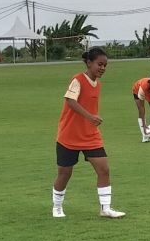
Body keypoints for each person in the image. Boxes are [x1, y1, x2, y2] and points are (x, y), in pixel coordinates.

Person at [52, 47, 125, 219]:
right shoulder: (77, 79)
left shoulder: (97, 84)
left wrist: (91, 121)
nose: (102, 68)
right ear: (89, 63)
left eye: (105, 65)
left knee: (104, 169)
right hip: (69, 135)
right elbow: (70, 100)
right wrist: (90, 117)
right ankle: (57, 207)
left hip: (90, 136)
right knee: (65, 173)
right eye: (100, 64)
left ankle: (105, 208)